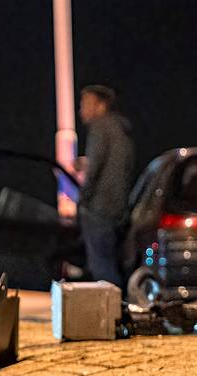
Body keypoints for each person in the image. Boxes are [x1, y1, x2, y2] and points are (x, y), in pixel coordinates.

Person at [77, 84, 135, 287]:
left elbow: (95, 169)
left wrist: (83, 199)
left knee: (101, 266)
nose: (81, 110)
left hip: (100, 207)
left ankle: (110, 313)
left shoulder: (100, 127)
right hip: (117, 207)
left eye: (86, 104)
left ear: (101, 106)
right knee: (110, 262)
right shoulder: (121, 129)